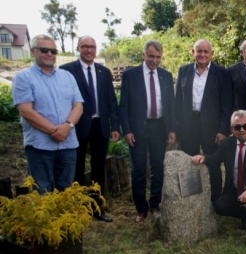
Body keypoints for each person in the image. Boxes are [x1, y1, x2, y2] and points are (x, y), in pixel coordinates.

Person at [12, 34, 83, 194]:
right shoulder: (24, 78)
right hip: (40, 146)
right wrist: (54, 131)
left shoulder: (67, 77)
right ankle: (45, 221)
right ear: (33, 51)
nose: (50, 54)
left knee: (66, 191)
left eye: (53, 51)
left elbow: (78, 106)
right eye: (44, 50)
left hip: (67, 144)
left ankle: (64, 220)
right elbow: (26, 111)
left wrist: (67, 126)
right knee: (41, 191)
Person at [191, 110, 246, 246]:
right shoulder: (226, 144)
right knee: (220, 206)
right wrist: (204, 157)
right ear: (232, 129)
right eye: (237, 127)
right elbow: (216, 159)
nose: (242, 130)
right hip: (236, 186)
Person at [59, 36, 119, 223]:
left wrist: (115, 126)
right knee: (76, 168)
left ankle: (97, 208)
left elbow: (111, 101)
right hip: (77, 125)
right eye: (85, 46)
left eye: (92, 47)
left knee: (98, 168)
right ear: (78, 48)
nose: (89, 50)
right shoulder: (67, 70)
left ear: (96, 49)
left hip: (100, 125)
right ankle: (77, 209)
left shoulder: (103, 71)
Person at [118, 40, 176, 223]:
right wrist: (126, 130)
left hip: (159, 127)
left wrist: (172, 128)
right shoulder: (130, 75)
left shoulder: (166, 76)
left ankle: (155, 203)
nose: (155, 60)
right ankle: (141, 209)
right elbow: (123, 106)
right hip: (138, 128)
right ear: (143, 55)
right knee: (139, 169)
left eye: (158, 57)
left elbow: (171, 106)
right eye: (151, 56)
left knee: (158, 167)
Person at [175, 39, 233, 204]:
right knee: (188, 162)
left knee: (213, 164)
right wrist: (178, 126)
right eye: (199, 51)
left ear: (211, 54)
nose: (202, 54)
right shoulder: (183, 71)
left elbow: (227, 105)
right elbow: (177, 101)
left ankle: (215, 201)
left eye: (206, 51)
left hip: (213, 127)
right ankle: (192, 202)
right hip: (188, 125)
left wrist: (223, 130)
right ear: (193, 52)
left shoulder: (222, 73)